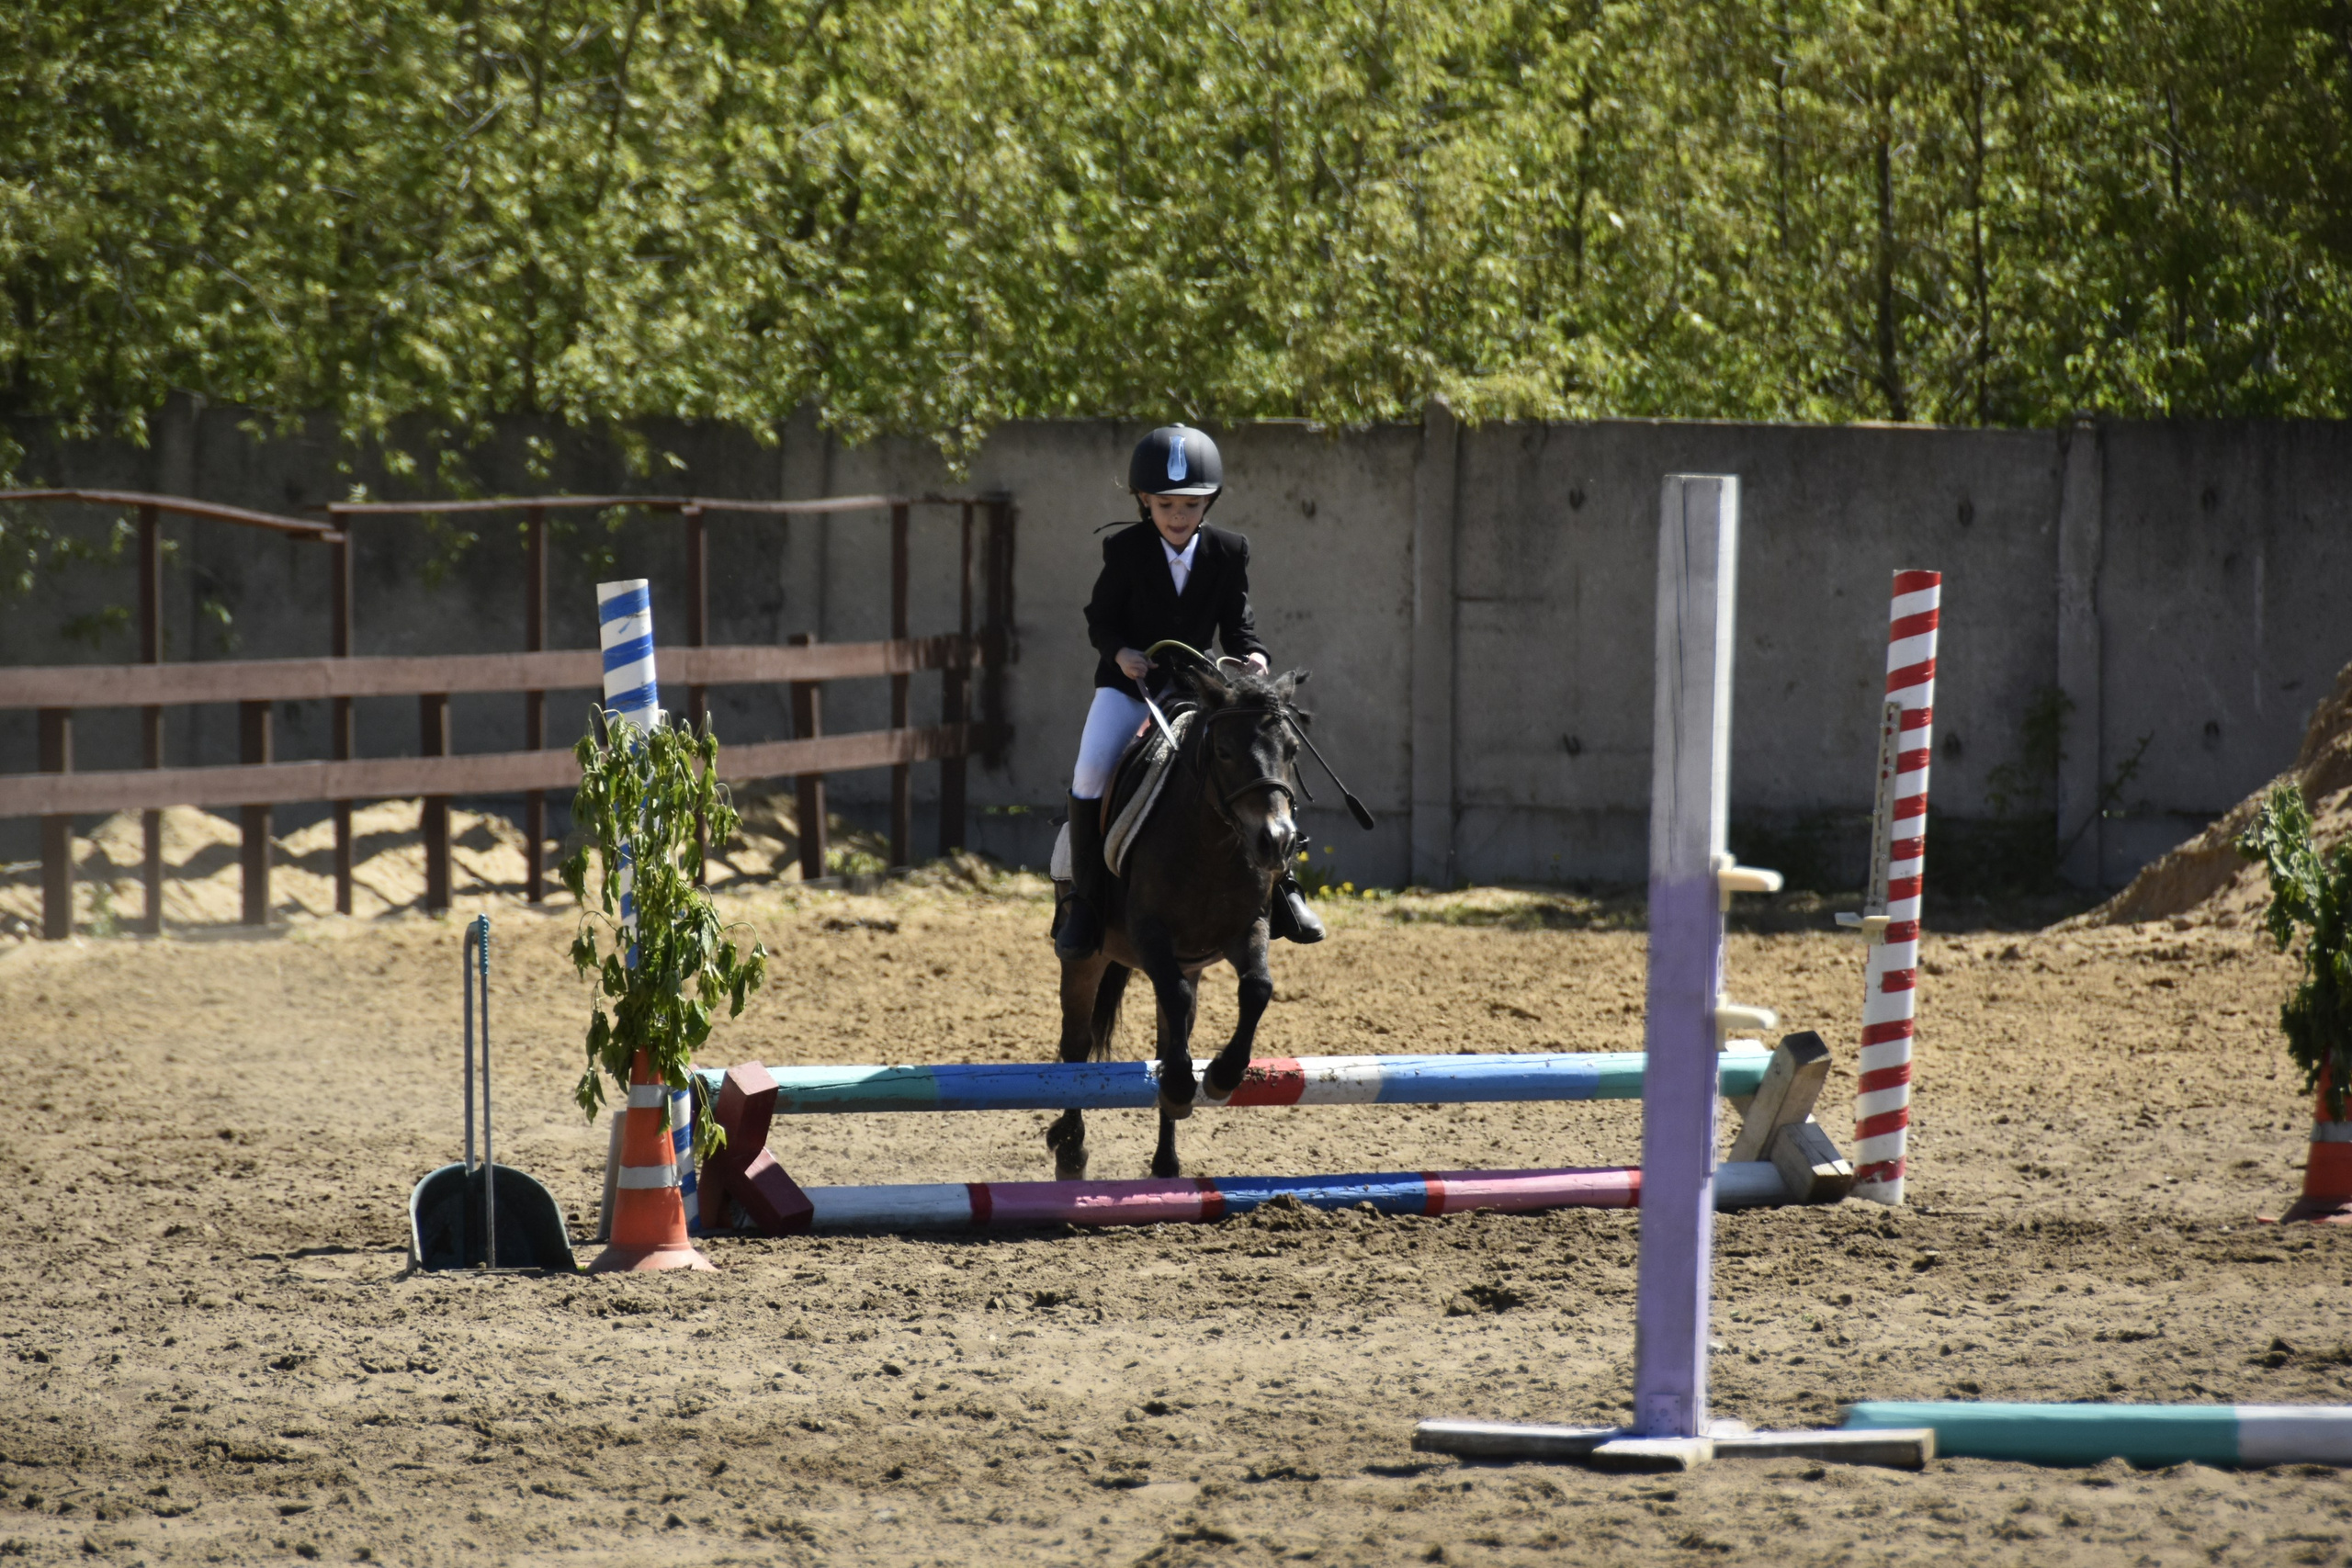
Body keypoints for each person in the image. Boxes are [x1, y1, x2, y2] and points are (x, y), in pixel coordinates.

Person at [1056, 424, 1326, 960]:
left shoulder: (1229, 551)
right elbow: (1100, 619)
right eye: (1166, 504)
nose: (1179, 515)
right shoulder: (1125, 549)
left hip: (1199, 692)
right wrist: (1120, 654)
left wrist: (1255, 657)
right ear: (1144, 502)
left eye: (1191, 504)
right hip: (1130, 688)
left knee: (1260, 763)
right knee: (1089, 773)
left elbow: (1240, 626)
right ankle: (1085, 904)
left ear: (1210, 502)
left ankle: (1285, 889)